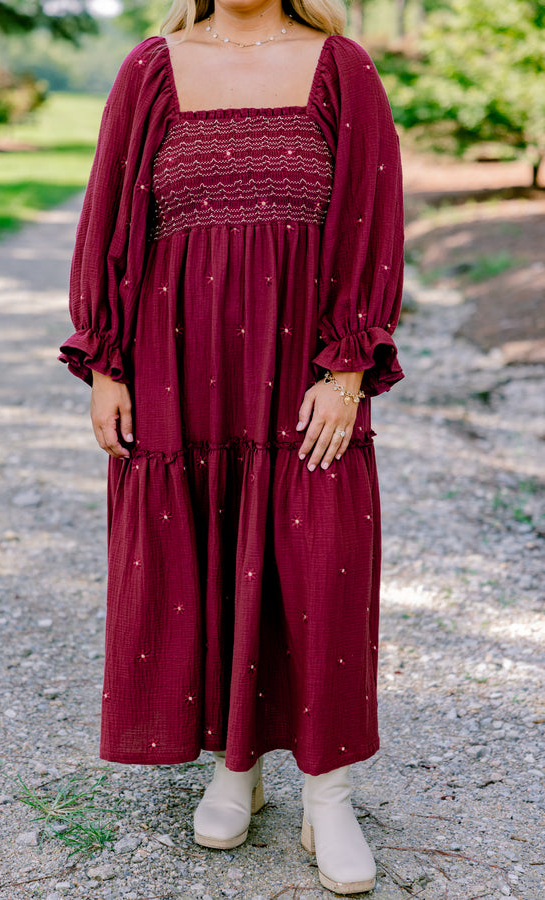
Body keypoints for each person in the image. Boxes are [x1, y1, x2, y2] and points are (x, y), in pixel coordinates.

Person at [59, 0, 404, 893]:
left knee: (320, 561)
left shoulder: (342, 68)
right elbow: (110, 215)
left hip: (304, 371)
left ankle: (328, 794)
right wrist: (106, 364)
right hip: (179, 364)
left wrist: (349, 367)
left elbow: (372, 215)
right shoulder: (150, 68)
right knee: (203, 567)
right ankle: (236, 768)